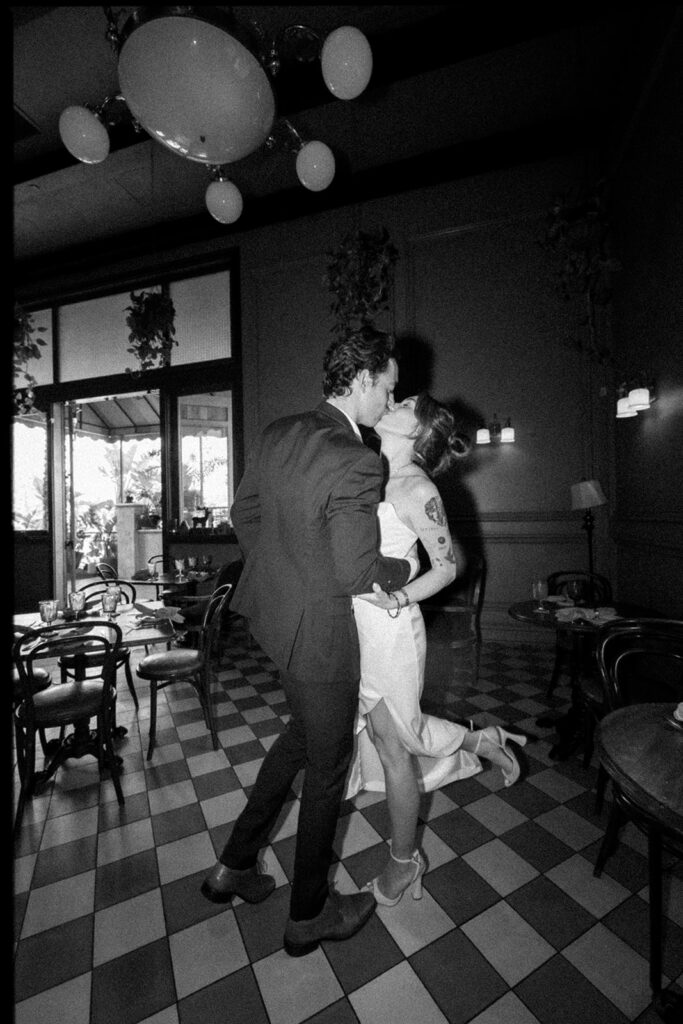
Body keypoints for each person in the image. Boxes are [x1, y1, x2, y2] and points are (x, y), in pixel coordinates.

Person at [200, 328, 415, 956]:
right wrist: (407, 565)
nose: (389, 400)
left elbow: (244, 516)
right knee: (327, 770)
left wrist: (282, 571)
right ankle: (309, 915)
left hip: (273, 624)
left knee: (301, 738)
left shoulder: (279, 431)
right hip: (320, 639)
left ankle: (234, 866)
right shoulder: (357, 458)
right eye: (388, 388)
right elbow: (357, 570)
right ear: (363, 379)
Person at [347, 393, 527, 905]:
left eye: (404, 402)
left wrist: (400, 598)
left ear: (417, 431)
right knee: (385, 735)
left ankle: (403, 863)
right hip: (358, 627)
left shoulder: (417, 487)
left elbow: (446, 567)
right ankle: (479, 741)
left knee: (396, 746)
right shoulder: (370, 472)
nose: (393, 401)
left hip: (391, 633)